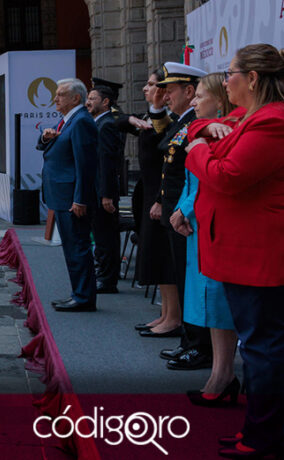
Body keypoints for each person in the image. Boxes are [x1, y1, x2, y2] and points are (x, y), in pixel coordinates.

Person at [185, 44, 284, 459]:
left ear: (254, 79)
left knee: (263, 348)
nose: (225, 82)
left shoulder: (271, 123)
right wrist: (204, 135)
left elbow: (229, 176)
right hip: (245, 253)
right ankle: (260, 431)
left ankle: (265, 439)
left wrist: (200, 151)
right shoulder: (249, 118)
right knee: (259, 345)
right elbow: (194, 127)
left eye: (230, 74)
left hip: (258, 255)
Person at [169, 73, 240, 407]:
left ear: (220, 100)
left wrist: (184, 209)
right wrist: (182, 208)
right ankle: (220, 371)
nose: (194, 102)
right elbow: (190, 178)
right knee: (210, 303)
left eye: (200, 96)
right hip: (197, 221)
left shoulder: (226, 130)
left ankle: (223, 373)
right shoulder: (205, 128)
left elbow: (208, 180)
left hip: (211, 224)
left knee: (219, 301)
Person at [145, 64, 212, 376]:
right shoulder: (185, 123)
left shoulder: (200, 124)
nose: (164, 95)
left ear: (189, 92)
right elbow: (165, 144)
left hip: (186, 210)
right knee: (183, 275)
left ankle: (198, 343)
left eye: (169, 90)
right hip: (177, 207)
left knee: (191, 280)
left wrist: (179, 207)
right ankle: (191, 339)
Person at [122, 70, 182, 347]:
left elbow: (163, 147)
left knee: (164, 257)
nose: (147, 88)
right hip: (148, 193)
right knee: (156, 255)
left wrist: (157, 107)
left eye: (153, 84)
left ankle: (173, 316)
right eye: (147, 84)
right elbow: (113, 118)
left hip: (160, 195)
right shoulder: (150, 116)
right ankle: (166, 313)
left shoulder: (164, 119)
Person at [37, 78, 98, 312]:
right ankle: (78, 293)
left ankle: (83, 297)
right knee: (72, 248)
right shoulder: (67, 120)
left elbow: (85, 165)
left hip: (72, 198)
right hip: (62, 195)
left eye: (60, 94)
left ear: (75, 98)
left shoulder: (81, 121)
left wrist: (80, 198)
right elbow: (47, 146)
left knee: (78, 248)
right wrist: (45, 137)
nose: (55, 98)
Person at [86, 78, 125, 293]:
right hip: (97, 189)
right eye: (88, 98)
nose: (88, 102)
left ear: (106, 101)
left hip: (104, 191)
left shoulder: (108, 124)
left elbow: (108, 162)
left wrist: (107, 194)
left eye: (93, 99)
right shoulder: (99, 122)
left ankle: (108, 280)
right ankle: (103, 274)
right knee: (100, 236)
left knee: (106, 236)